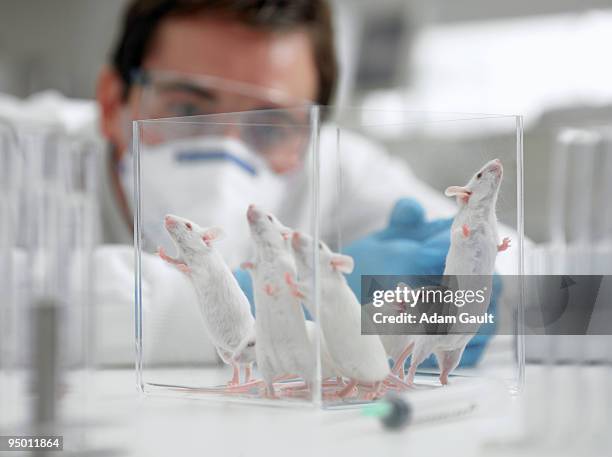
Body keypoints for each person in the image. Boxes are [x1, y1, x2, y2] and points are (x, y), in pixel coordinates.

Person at [95, 0, 505, 367]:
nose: (226, 150)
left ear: (312, 134)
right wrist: (280, 302)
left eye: (270, 127)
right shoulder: (38, 153)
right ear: (113, 103)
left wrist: (470, 296)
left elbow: (556, 289)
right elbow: (35, 308)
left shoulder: (332, 163)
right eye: (186, 109)